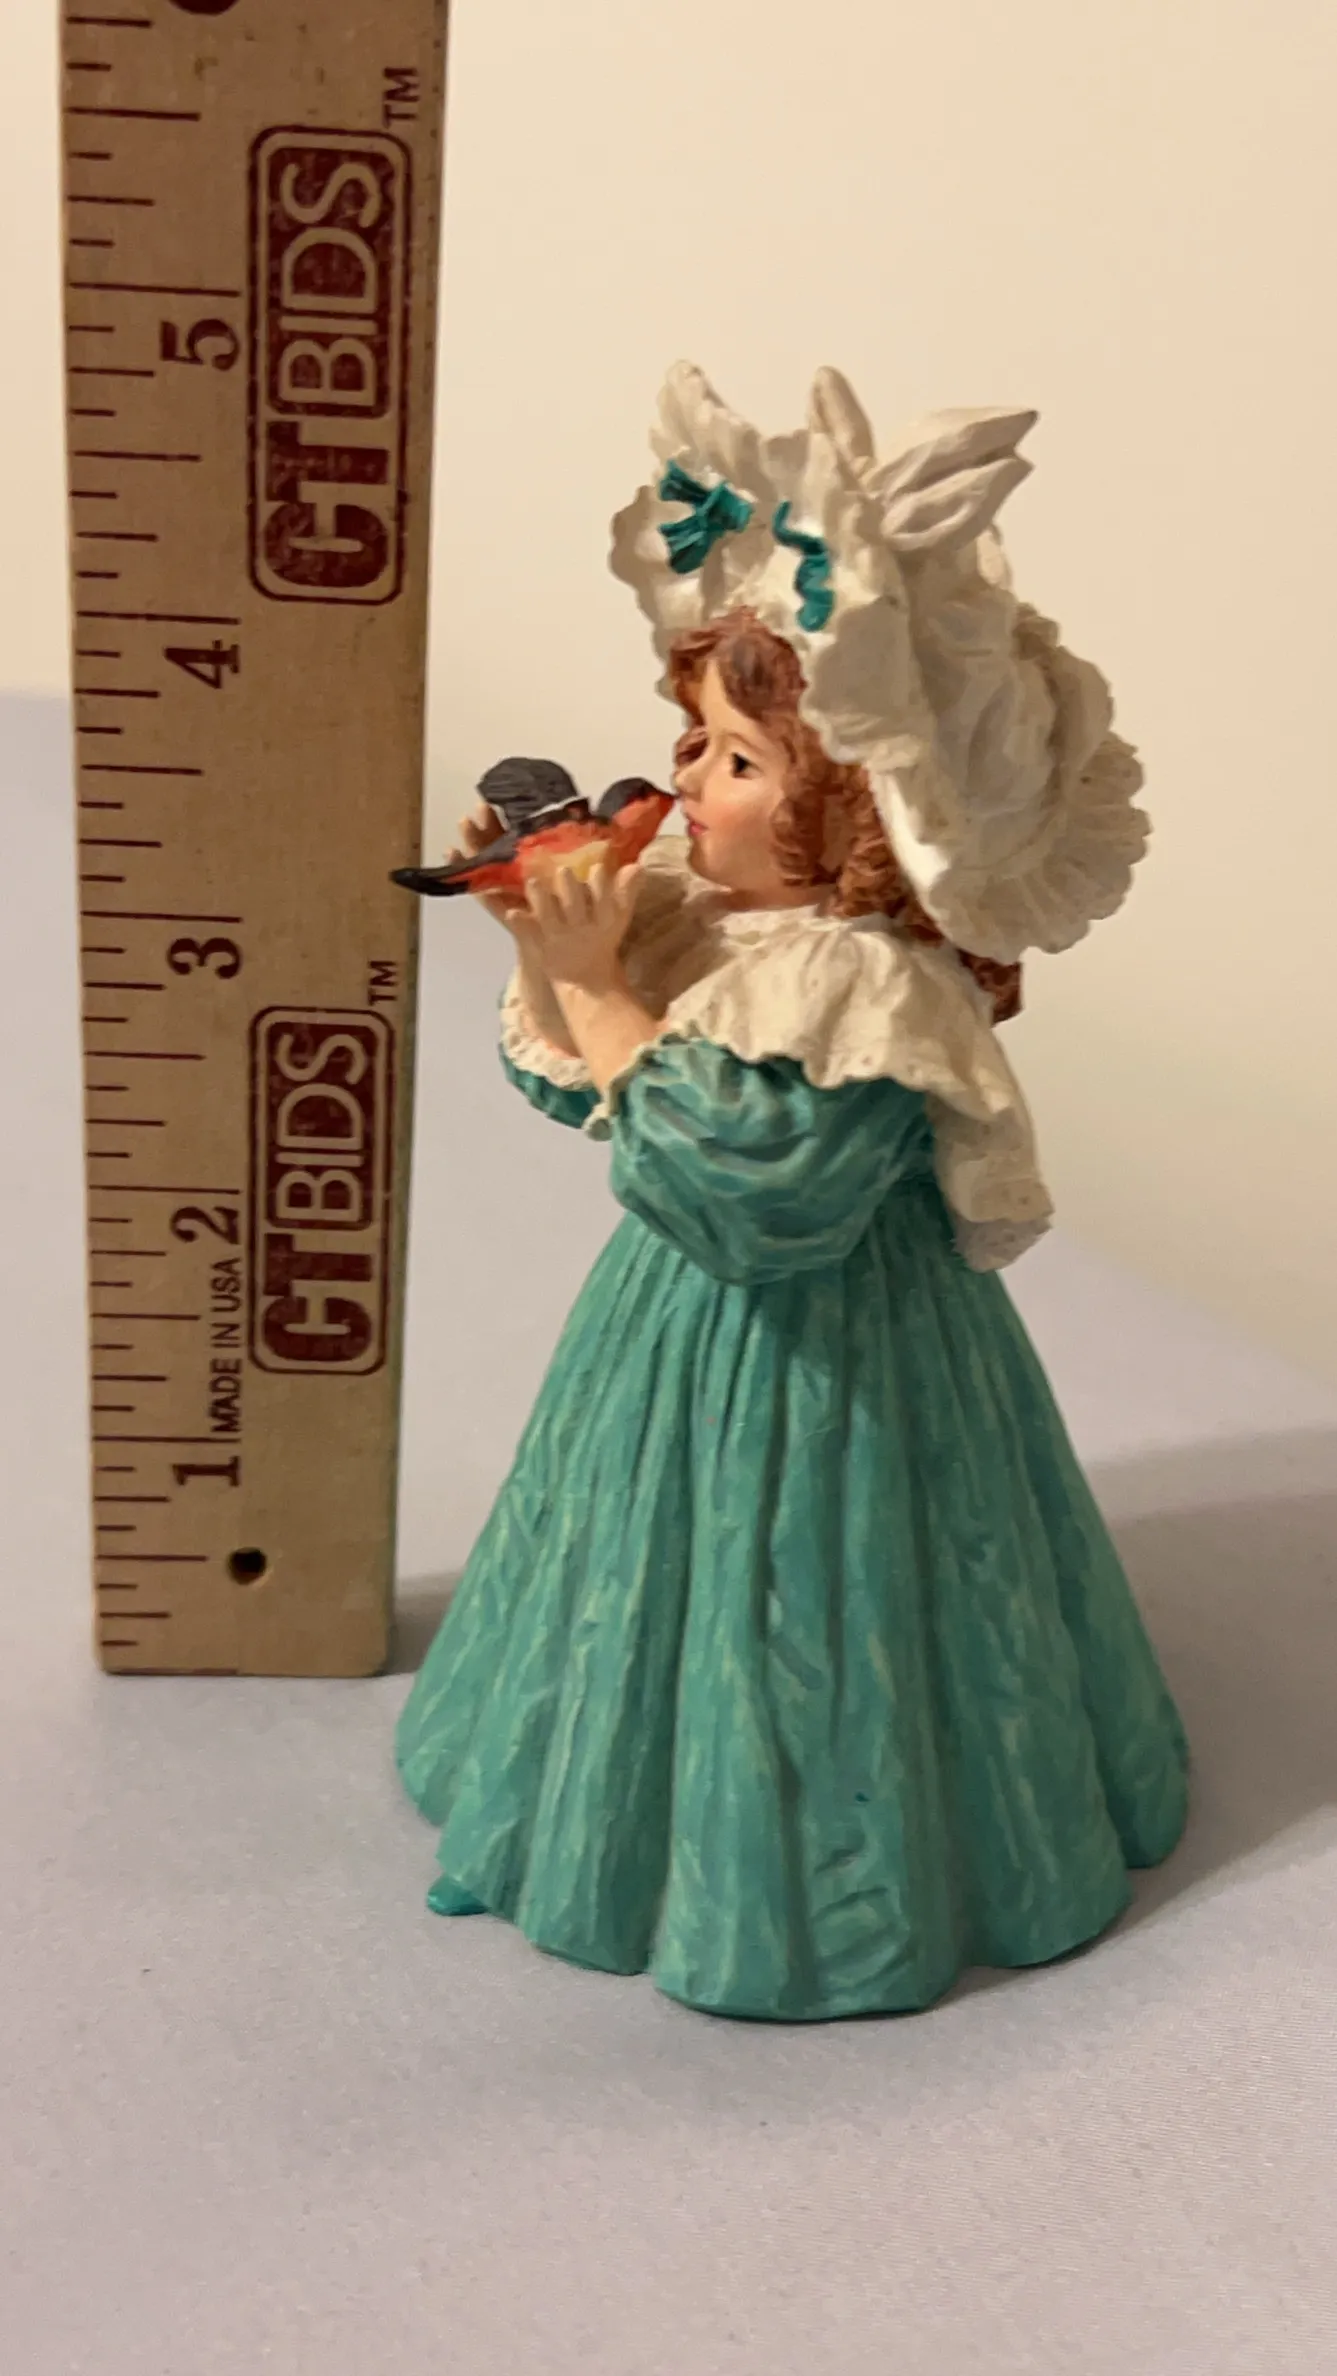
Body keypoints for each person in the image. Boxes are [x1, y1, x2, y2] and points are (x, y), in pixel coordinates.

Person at [394, 365, 1188, 2021]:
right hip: (673, 1348)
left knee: (816, 1600)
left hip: (830, 1366)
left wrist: (601, 992)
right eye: (692, 739)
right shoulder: (723, 925)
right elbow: (582, 1099)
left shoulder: (864, 987)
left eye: (742, 758)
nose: (687, 780)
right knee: (639, 1571)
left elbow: (744, 1196)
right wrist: (556, 959)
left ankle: (824, 1882)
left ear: (863, 807)